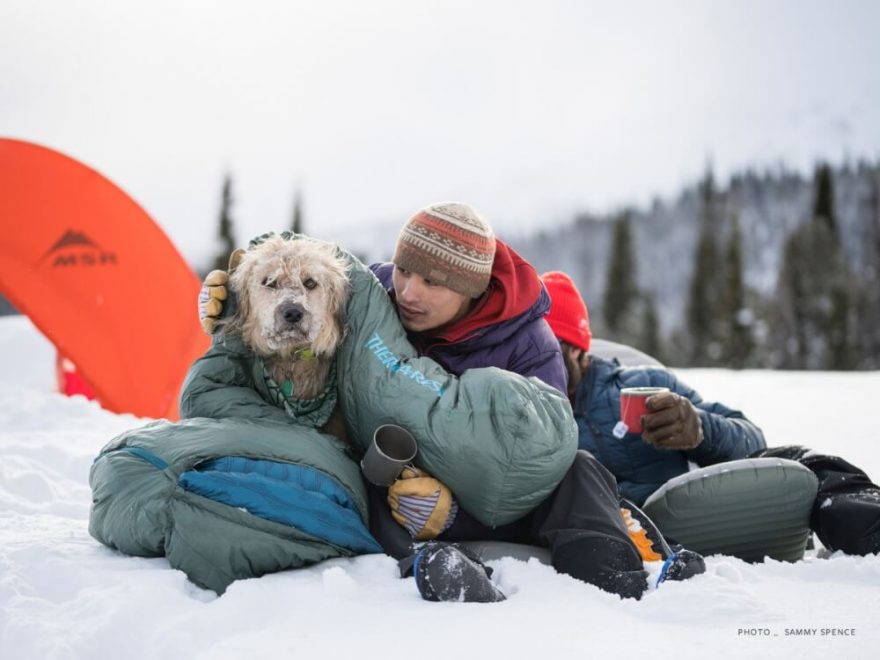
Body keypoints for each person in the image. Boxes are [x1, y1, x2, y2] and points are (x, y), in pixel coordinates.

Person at [199, 202, 704, 601]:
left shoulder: (530, 345)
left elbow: (540, 451)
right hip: (404, 486)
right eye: (404, 270)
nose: (408, 292)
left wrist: (452, 511)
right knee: (365, 471)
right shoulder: (375, 299)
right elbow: (299, 297)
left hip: (507, 494)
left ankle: (613, 569)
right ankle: (440, 568)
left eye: (432, 282)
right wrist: (232, 304)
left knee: (577, 469)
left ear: (471, 288)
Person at [540, 270, 880, 557]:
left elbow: (751, 440)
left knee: (803, 461)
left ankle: (871, 534)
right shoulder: (528, 404)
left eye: (549, 347)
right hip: (609, 531)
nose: (536, 359)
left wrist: (698, 429)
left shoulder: (646, 383)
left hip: (682, 513)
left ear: (578, 349)